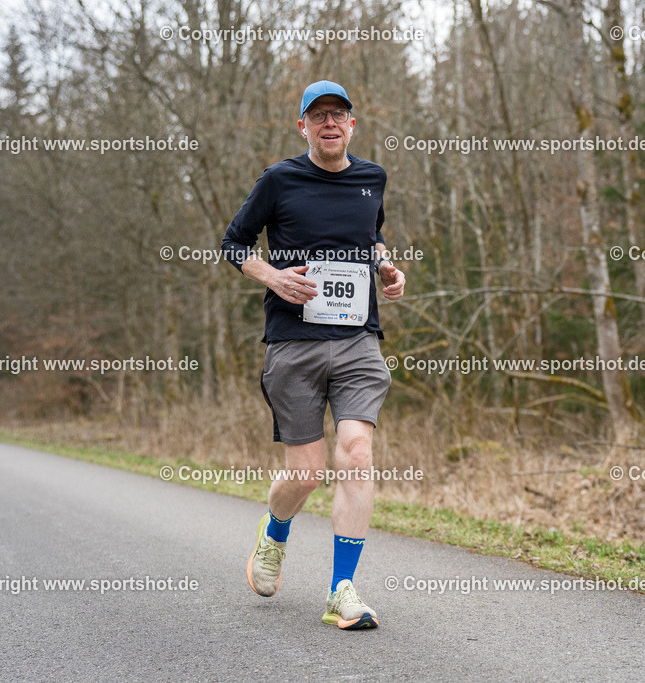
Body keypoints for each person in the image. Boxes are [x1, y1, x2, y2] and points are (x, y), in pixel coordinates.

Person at [222, 80, 405, 630]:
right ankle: (274, 532)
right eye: (318, 115)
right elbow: (234, 243)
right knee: (306, 475)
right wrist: (272, 276)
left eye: (339, 115)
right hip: (294, 344)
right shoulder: (279, 180)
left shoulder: (372, 179)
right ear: (302, 126)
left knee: (356, 453)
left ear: (352, 125)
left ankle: (341, 590)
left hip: (357, 341)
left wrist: (388, 269)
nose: (330, 123)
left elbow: (369, 239)